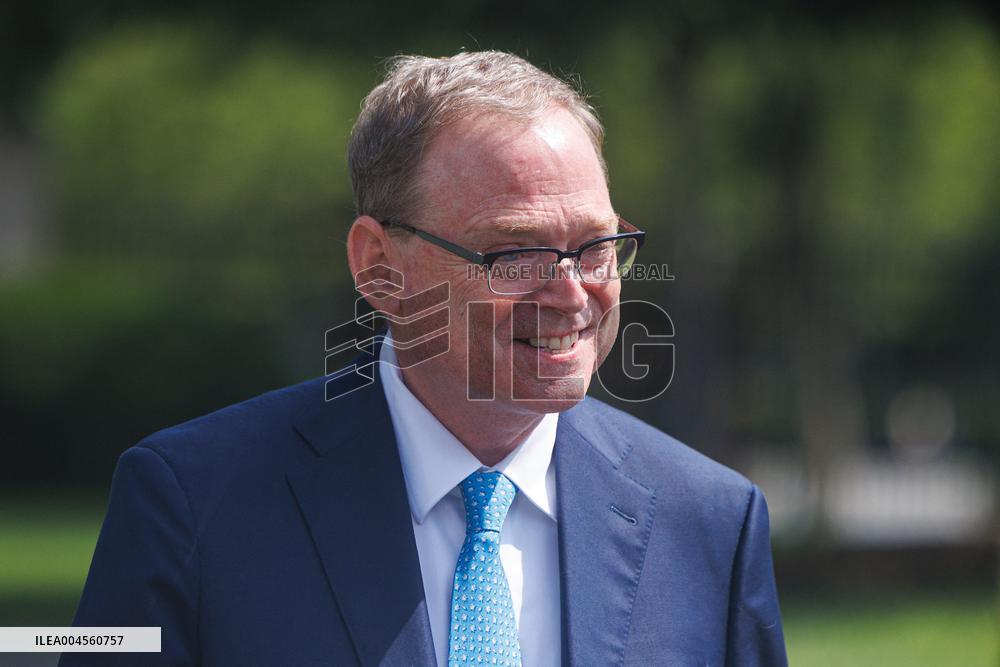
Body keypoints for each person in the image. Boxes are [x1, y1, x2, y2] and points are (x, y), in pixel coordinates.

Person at [62, 51, 786, 666]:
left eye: (596, 245)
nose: (572, 292)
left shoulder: (710, 524)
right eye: (515, 252)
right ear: (379, 266)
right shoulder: (191, 504)